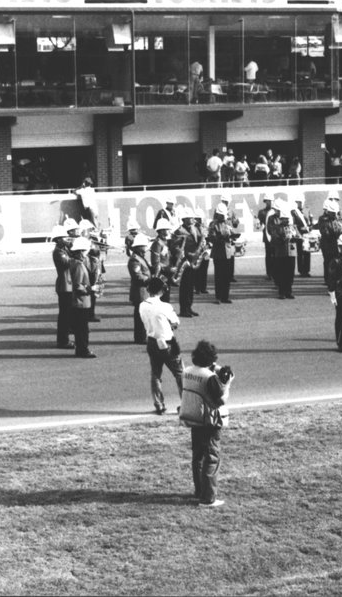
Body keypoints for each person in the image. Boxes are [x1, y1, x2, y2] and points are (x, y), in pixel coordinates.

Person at [179, 340, 233, 508]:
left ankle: (199, 490)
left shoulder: (187, 371)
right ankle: (208, 497)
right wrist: (227, 382)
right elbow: (221, 399)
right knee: (211, 457)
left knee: (198, 456)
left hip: (193, 417)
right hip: (209, 421)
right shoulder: (210, 377)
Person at [140, 277, 183, 415]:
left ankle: (159, 404)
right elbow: (176, 322)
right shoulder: (165, 306)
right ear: (161, 291)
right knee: (179, 373)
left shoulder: (142, 305)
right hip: (167, 342)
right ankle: (185, 402)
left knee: (156, 374)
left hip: (152, 341)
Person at [68, 236, 99, 358]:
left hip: (79, 301)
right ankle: (82, 350)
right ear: (81, 251)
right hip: (81, 301)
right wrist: (90, 289)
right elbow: (78, 286)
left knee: (81, 328)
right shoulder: (79, 265)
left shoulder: (75, 263)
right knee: (82, 329)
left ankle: (81, 349)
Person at [173, 206, 202, 318]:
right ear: (184, 219)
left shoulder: (195, 229)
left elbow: (199, 240)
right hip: (184, 262)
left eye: (192, 217)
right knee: (184, 286)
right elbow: (176, 247)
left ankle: (189, 307)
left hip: (193, 261)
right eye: (189, 218)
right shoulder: (179, 231)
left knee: (191, 286)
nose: (192, 219)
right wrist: (186, 254)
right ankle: (183, 309)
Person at [206, 203, 236, 304]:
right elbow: (212, 238)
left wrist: (232, 236)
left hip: (227, 252)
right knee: (219, 276)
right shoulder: (213, 224)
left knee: (226, 276)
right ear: (218, 215)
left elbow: (232, 233)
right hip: (218, 252)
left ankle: (225, 296)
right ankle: (218, 297)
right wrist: (222, 236)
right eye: (221, 215)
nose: (223, 217)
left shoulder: (228, 223)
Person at [50, 224, 74, 350]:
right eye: (65, 238)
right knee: (64, 315)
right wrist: (75, 253)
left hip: (68, 285)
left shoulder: (64, 249)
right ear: (59, 239)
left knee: (67, 314)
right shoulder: (58, 252)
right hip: (65, 286)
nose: (67, 239)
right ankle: (63, 341)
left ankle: (65, 339)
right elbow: (67, 263)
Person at [270, 203, 300, 299]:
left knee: (290, 273)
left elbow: (299, 237)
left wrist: (295, 237)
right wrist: (283, 238)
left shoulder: (293, 227)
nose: (286, 220)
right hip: (281, 253)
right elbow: (274, 240)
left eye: (287, 219)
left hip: (291, 253)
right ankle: (281, 292)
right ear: (281, 219)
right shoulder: (276, 228)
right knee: (281, 273)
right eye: (284, 219)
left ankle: (289, 291)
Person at [127, 233, 153, 344]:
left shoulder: (140, 258)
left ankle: (142, 336)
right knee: (140, 317)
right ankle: (140, 337)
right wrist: (149, 280)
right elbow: (137, 276)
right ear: (139, 247)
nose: (146, 249)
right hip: (140, 292)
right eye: (144, 247)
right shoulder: (135, 260)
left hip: (144, 291)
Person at [317, 198, 342, 289]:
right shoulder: (322, 219)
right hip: (327, 244)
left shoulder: (338, 219)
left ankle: (336, 280)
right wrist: (337, 231)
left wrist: (341, 228)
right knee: (328, 262)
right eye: (332, 213)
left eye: (335, 213)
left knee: (337, 262)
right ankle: (328, 280)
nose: (334, 214)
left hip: (336, 244)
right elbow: (325, 232)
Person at [292, 193, 314, 277]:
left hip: (307, 235)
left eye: (301, 202)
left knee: (307, 252)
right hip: (299, 235)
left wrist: (310, 227)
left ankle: (307, 270)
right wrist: (298, 233)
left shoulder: (307, 210)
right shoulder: (294, 212)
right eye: (298, 202)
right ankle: (301, 270)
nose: (300, 204)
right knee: (300, 253)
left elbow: (311, 222)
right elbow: (294, 225)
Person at [257, 195, 276, 282]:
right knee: (268, 255)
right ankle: (269, 273)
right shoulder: (262, 212)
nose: (270, 202)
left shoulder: (276, 211)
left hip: (275, 236)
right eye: (268, 201)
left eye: (271, 200)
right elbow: (259, 225)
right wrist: (259, 225)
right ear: (265, 201)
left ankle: (275, 273)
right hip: (267, 235)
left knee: (275, 255)